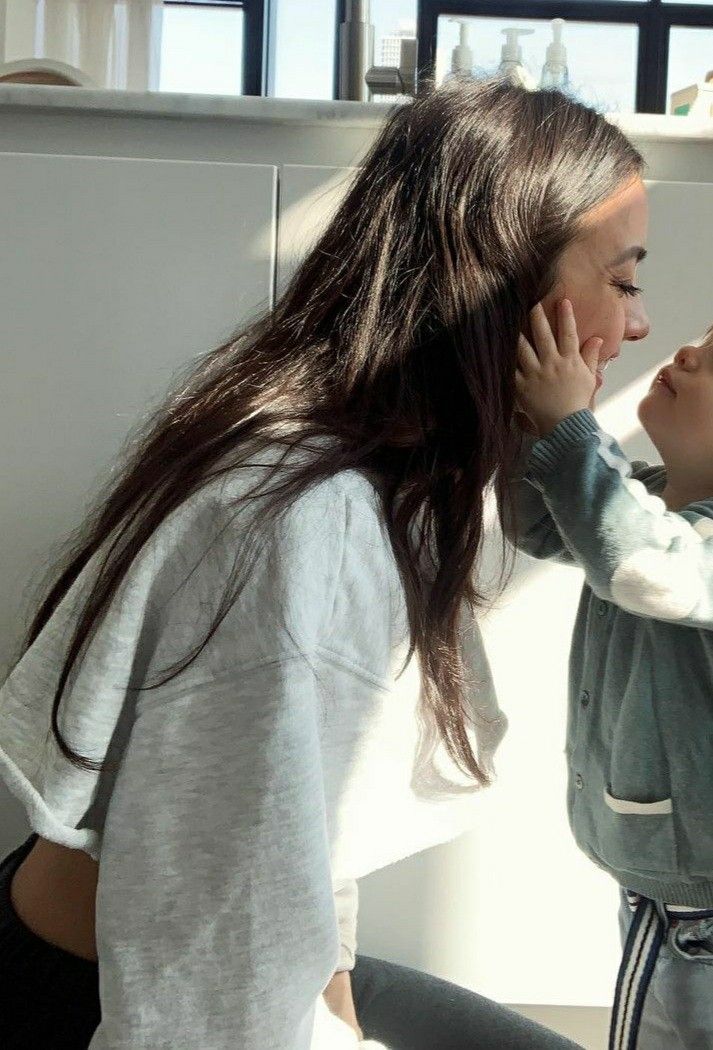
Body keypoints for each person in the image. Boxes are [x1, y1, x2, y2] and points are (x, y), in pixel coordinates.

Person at [0, 76, 645, 1049]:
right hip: (124, 997)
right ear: (508, 281)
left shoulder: (368, 469)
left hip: (221, 963)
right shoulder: (310, 526)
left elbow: (298, 844)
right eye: (625, 279)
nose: (634, 327)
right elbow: (207, 965)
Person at [506, 294, 713, 1050]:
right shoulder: (649, 499)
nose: (687, 352)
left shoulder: (670, 544)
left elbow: (638, 565)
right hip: (674, 893)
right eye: (702, 337)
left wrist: (569, 429)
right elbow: (538, 521)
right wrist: (536, 416)